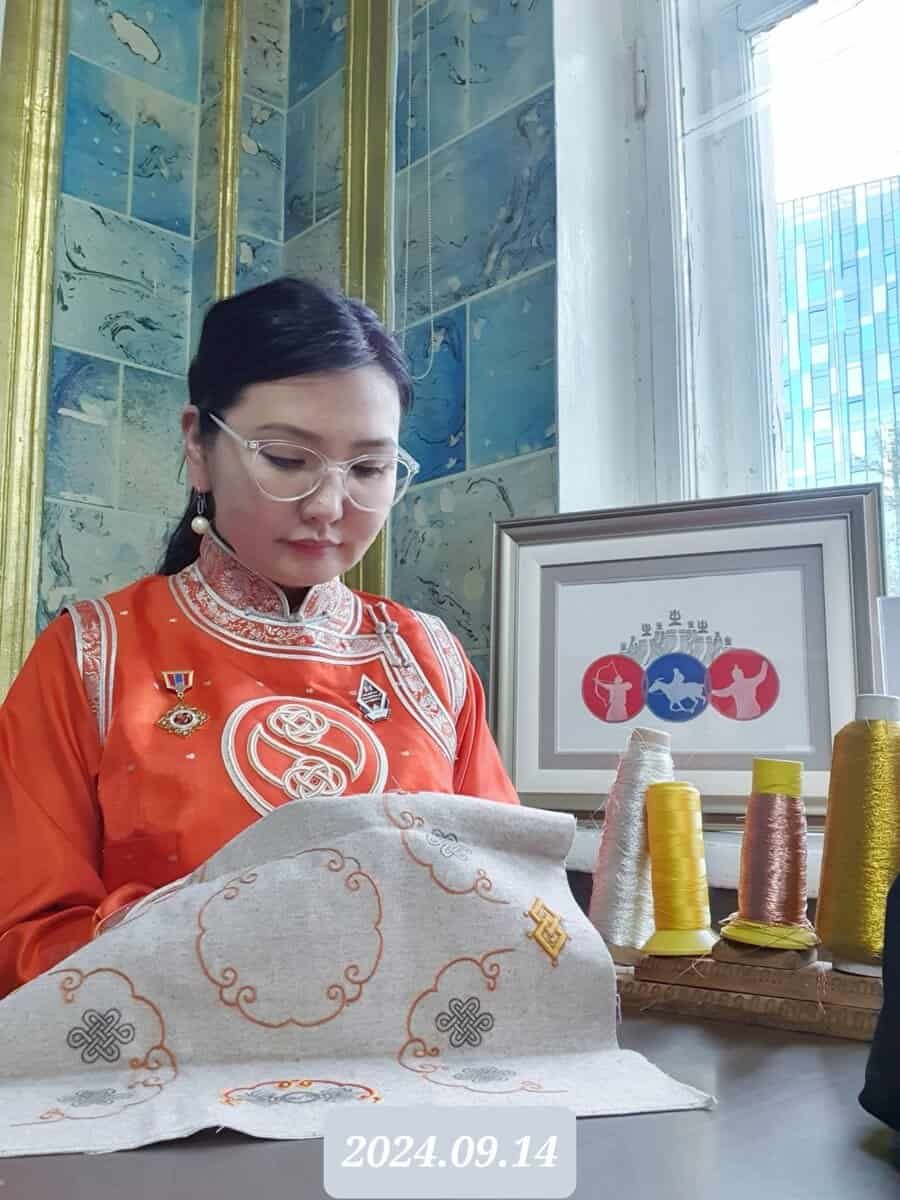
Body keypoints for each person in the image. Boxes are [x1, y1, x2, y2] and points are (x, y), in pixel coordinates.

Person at [0, 278, 518, 999]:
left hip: (408, 1095)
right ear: (198, 446)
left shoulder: (427, 659)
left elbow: (504, 904)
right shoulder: (90, 655)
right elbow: (25, 940)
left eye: (369, 469)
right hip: (165, 1089)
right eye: (286, 459)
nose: (329, 506)